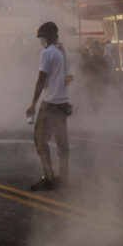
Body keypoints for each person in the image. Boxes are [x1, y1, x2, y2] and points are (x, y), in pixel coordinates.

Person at [26, 21, 72, 191]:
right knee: (62, 143)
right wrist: (65, 95)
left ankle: (49, 176)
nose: (41, 41)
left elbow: (41, 80)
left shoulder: (47, 54)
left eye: (42, 37)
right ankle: (64, 177)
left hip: (51, 103)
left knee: (39, 140)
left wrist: (32, 104)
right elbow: (69, 77)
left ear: (48, 37)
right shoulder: (63, 52)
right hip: (62, 102)